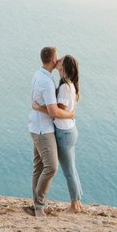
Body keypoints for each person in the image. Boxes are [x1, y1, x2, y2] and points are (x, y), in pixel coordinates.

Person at [33, 54, 82, 213]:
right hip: (70, 130)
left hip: (64, 132)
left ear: (63, 67)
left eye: (60, 61)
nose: (57, 61)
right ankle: (78, 201)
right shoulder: (71, 85)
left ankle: (74, 205)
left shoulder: (63, 87)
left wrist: (38, 108)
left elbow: (56, 112)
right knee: (72, 169)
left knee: (68, 171)